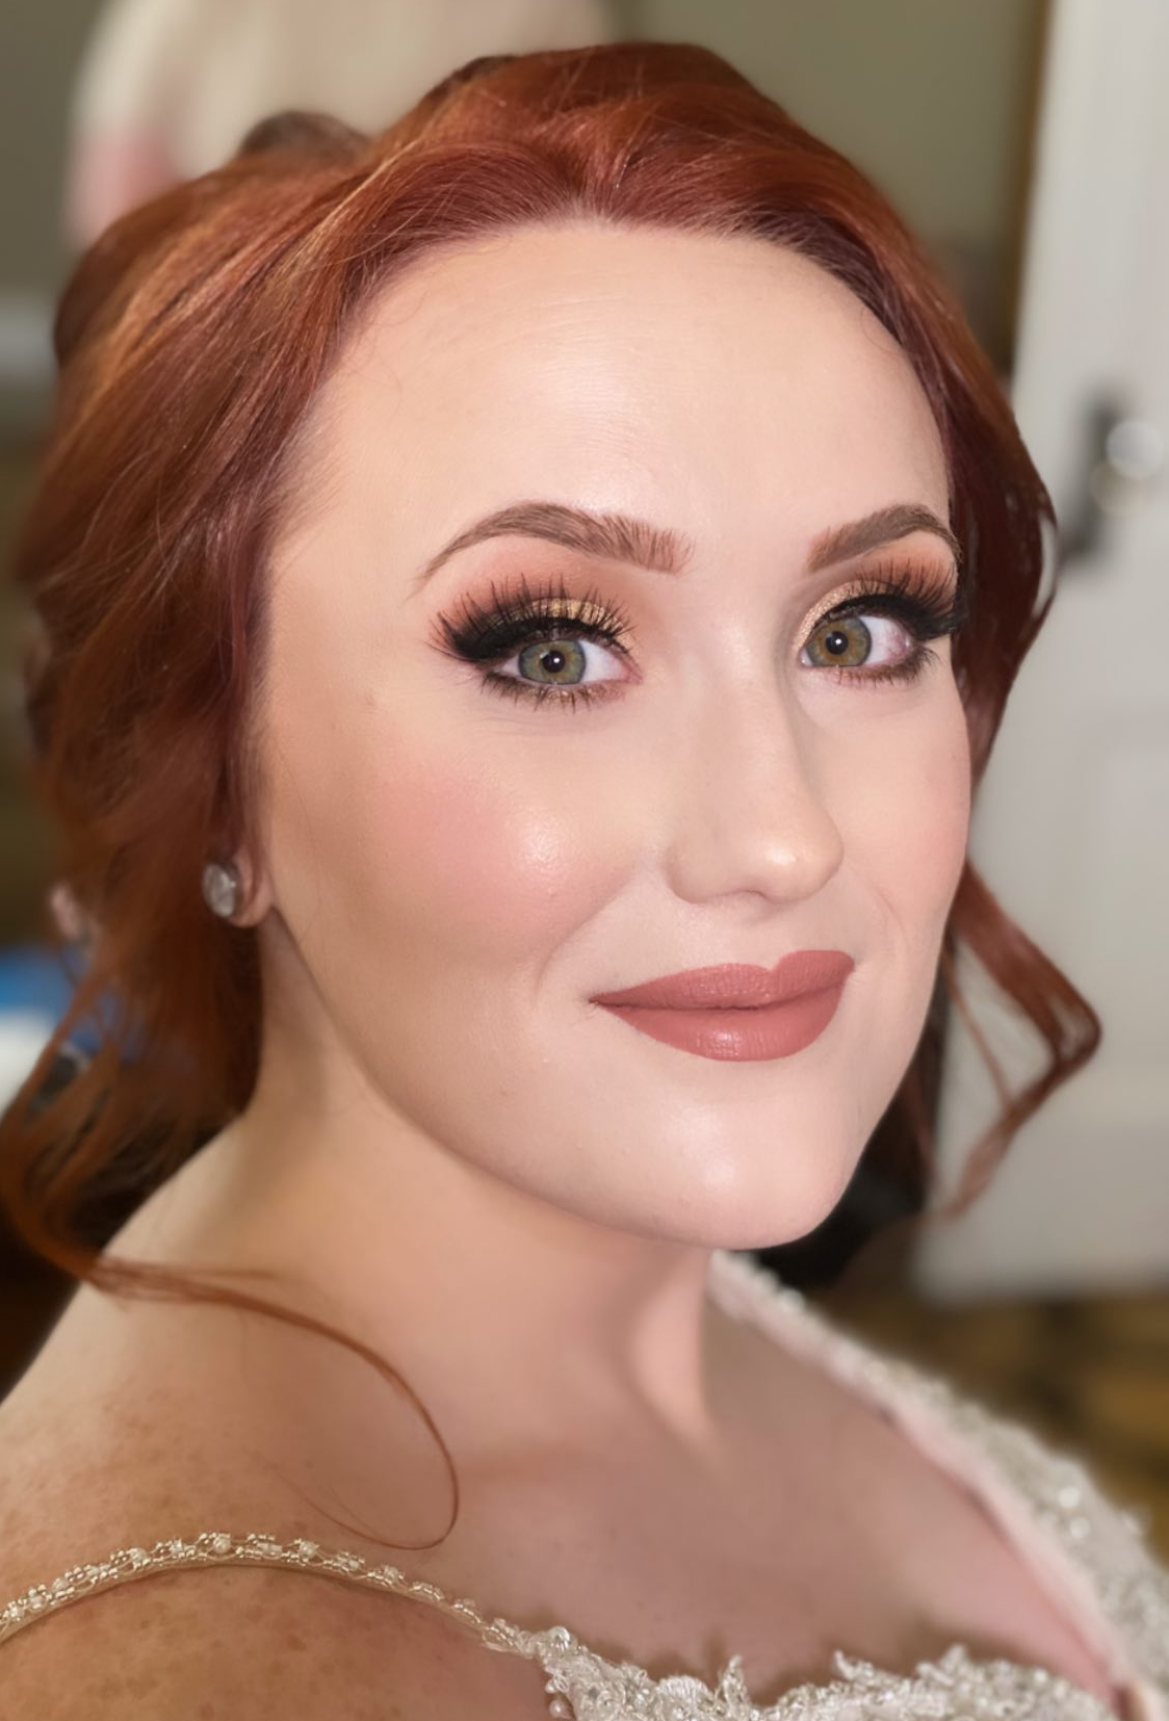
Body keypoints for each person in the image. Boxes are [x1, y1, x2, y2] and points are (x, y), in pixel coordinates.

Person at [0, 40, 1165, 1721]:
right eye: (552, 651)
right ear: (217, 788)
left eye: (858, 631)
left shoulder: (663, 1289)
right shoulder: (180, 1675)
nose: (782, 838)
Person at [64, 0, 616, 246]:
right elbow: (114, 218)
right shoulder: (185, 9)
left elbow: (587, 180)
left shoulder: (546, 8)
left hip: (461, 303)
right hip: (227, 312)